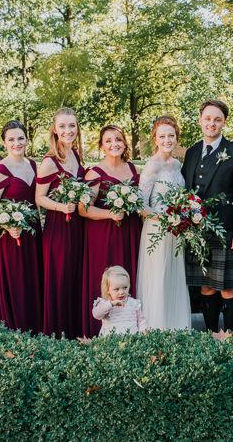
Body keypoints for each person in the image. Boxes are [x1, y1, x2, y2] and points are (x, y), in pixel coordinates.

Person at [181, 100, 233, 332]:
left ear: (224, 122)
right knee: (206, 286)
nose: (212, 123)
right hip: (198, 233)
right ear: (200, 120)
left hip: (226, 231)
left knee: (228, 288)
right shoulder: (191, 153)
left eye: (217, 119)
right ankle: (212, 337)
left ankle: (230, 336)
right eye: (208, 118)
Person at [80, 125, 142, 337]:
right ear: (101, 146)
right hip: (105, 234)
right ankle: (102, 332)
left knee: (128, 277)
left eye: (118, 139)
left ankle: (131, 328)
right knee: (109, 280)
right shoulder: (94, 173)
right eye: (108, 141)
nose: (114, 144)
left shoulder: (133, 169)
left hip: (130, 231)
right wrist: (109, 214)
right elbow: (83, 208)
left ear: (125, 143)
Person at [0, 120, 43, 333]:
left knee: (34, 281)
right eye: (11, 139)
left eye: (20, 138)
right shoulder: (0, 170)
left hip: (34, 234)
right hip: (11, 237)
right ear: (3, 142)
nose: (16, 143)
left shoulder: (34, 165)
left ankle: (37, 327)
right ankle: (17, 329)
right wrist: (8, 226)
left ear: (27, 140)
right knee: (18, 284)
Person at [136, 115, 192, 331]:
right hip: (157, 231)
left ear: (177, 137)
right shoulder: (152, 165)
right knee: (158, 278)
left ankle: (177, 327)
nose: (167, 140)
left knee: (174, 278)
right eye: (162, 136)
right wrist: (163, 219)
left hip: (177, 231)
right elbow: (140, 204)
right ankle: (156, 328)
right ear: (155, 139)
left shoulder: (177, 164)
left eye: (171, 135)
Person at [35, 108, 86, 339]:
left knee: (75, 278)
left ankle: (75, 331)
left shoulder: (75, 155)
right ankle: (57, 334)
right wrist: (60, 207)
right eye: (63, 126)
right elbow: (39, 198)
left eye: (72, 126)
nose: (68, 131)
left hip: (77, 225)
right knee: (61, 280)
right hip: (59, 227)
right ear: (54, 129)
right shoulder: (49, 161)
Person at [92, 266, 147, 336]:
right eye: (116, 289)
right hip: (111, 342)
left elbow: (141, 320)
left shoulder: (133, 303)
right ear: (108, 290)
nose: (121, 292)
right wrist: (111, 304)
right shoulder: (105, 304)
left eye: (125, 288)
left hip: (131, 340)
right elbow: (96, 315)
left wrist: (142, 330)